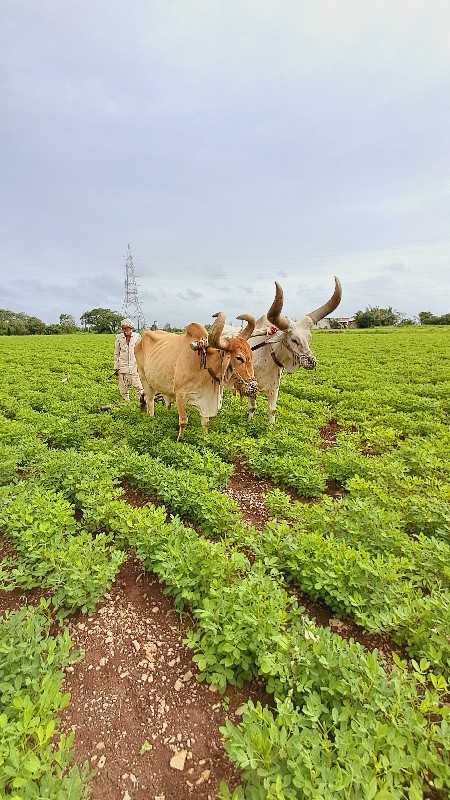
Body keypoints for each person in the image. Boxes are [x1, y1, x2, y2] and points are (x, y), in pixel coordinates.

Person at [113, 319, 145, 404]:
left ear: (131, 328)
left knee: (138, 386)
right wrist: (116, 367)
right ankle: (126, 402)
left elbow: (141, 351)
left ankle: (142, 402)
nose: (125, 330)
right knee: (123, 387)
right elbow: (116, 353)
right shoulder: (119, 337)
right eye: (123, 328)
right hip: (122, 366)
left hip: (134, 365)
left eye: (127, 328)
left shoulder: (137, 336)